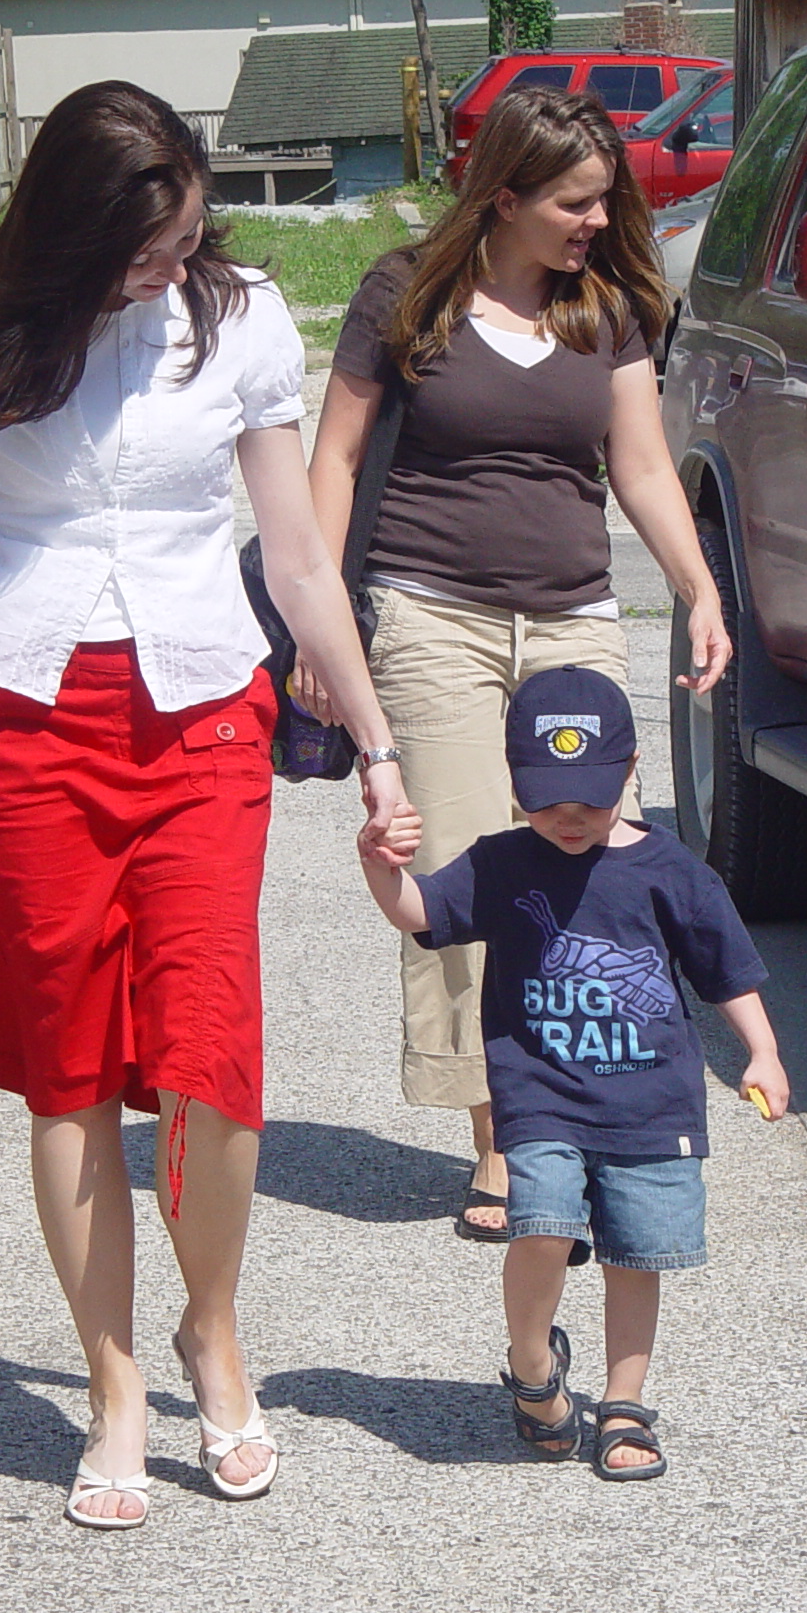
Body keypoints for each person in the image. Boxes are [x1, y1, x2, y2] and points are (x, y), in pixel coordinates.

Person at [0, 82, 412, 1531]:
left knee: (209, 1047)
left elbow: (299, 559)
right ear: (70, 229)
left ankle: (213, 1331)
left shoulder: (241, 320)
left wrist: (374, 743)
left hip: (201, 719)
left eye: (179, 244)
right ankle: (113, 1385)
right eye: (138, 253)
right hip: (22, 717)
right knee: (62, 1061)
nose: (163, 273)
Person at [303, 84, 732, 1245]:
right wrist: (319, 617)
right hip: (427, 616)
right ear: (504, 197)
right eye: (573, 203)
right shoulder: (408, 294)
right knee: (458, 873)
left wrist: (698, 590)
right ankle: (500, 1140)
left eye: (604, 202)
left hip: (573, 625)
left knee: (595, 880)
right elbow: (334, 462)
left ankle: (588, 1114)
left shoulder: (608, 310)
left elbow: (640, 468)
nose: (596, 222)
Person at [356, 666, 789, 1480]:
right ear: (515, 780)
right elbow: (423, 915)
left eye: (591, 797)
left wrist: (761, 1051)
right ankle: (531, 1368)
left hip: (651, 1103)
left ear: (630, 773)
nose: (569, 816)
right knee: (543, 1227)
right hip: (541, 1094)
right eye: (548, 796)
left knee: (637, 1256)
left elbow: (726, 969)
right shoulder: (501, 864)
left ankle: (625, 1406)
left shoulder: (672, 872)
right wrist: (382, 866)